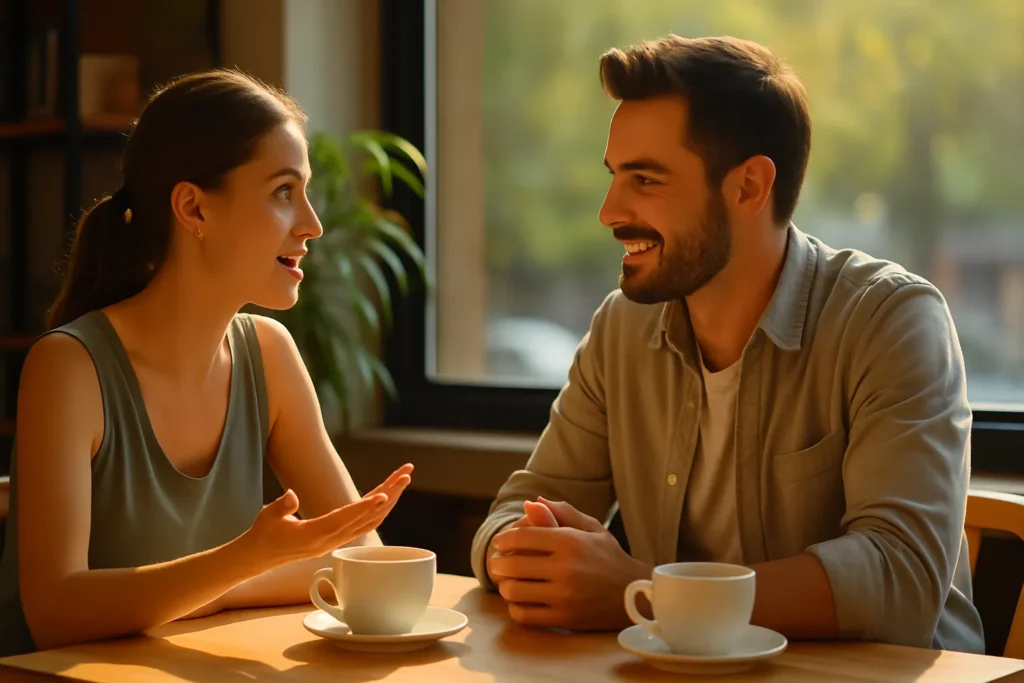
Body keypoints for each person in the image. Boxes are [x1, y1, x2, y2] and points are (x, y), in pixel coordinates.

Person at [472, 35, 985, 653]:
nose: (609, 210)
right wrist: (522, 552)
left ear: (749, 187)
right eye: (614, 176)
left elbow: (900, 582)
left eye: (646, 179)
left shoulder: (891, 321)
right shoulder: (622, 329)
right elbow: (518, 509)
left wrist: (640, 590)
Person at [0, 69, 414, 656]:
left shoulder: (268, 354)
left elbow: (360, 555)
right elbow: (54, 613)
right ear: (193, 208)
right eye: (282, 192)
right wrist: (244, 562)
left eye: (305, 191)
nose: (312, 225)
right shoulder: (68, 369)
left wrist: (230, 578)